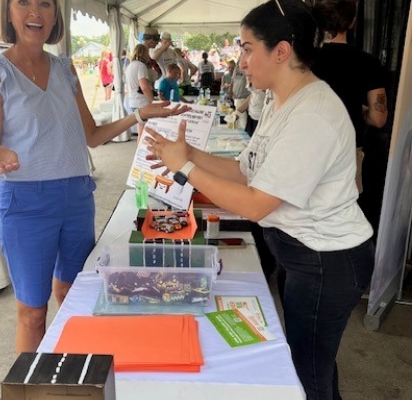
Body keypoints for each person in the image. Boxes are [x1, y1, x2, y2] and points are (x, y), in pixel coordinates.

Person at [143, 1, 374, 399]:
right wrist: (188, 154)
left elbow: (254, 204)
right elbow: (246, 170)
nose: (242, 60)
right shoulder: (278, 100)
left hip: (326, 259)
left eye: (248, 48)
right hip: (299, 254)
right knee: (309, 359)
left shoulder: (313, 114)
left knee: (309, 375)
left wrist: (187, 169)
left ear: (281, 51)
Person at [0, 0, 189, 354]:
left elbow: (93, 136)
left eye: (45, 4)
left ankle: (72, 373)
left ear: (56, 15)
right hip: (26, 206)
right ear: (7, 12)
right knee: (32, 313)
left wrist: (139, 116)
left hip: (76, 198)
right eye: (23, 2)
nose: (35, 13)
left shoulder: (65, 70)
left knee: (75, 295)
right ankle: (31, 390)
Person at [310, 0, 388, 195]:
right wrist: (360, 113)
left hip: (309, 150)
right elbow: (379, 118)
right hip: (348, 153)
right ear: (352, 22)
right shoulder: (369, 63)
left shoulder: (305, 60)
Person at [124, 44, 155, 138]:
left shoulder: (130, 66)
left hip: (133, 102)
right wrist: (153, 101)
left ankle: (140, 151)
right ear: (145, 53)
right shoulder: (141, 66)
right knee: (148, 132)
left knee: (141, 131)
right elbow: (144, 87)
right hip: (142, 102)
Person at [229, 56, 250, 129]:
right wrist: (230, 93)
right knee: (237, 119)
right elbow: (232, 81)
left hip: (243, 97)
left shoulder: (247, 70)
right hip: (235, 97)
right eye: (238, 61)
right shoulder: (236, 69)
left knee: (242, 119)